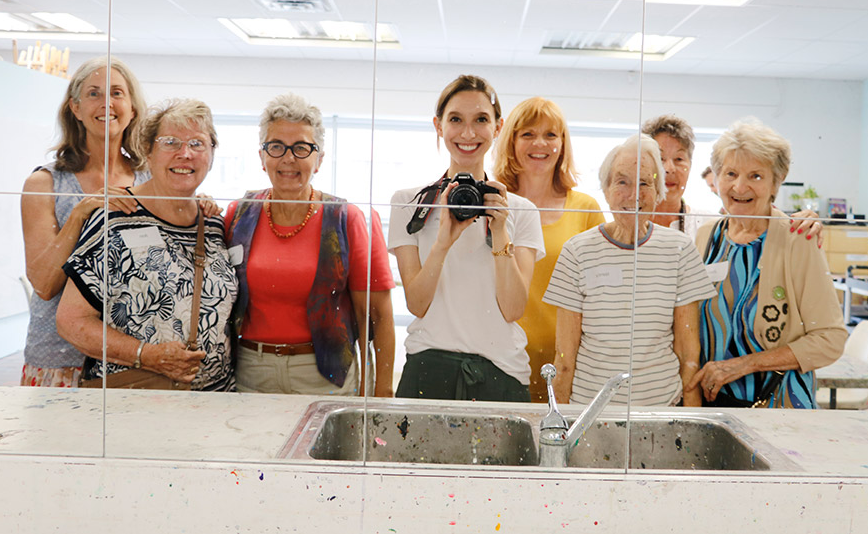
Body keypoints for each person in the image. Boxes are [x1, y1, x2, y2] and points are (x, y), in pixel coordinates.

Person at [56, 99, 236, 391]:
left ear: (212, 153)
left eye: (197, 143)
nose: (185, 154)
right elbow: (70, 321)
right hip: (133, 401)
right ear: (148, 152)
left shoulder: (215, 225)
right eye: (170, 142)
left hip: (216, 401)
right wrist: (147, 355)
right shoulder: (114, 218)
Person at [225, 93, 396, 396]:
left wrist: (381, 391)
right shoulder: (239, 214)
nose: (288, 158)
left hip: (323, 375)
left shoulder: (345, 218)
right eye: (276, 146)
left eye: (301, 148)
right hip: (251, 371)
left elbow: (378, 315)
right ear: (262, 157)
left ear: (318, 160)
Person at [388, 75, 544, 402]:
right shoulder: (411, 204)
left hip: (502, 371)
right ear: (438, 125)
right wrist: (443, 240)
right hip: (428, 369)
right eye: (456, 119)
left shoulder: (520, 210)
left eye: (481, 120)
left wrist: (500, 230)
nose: (468, 133)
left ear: (498, 127)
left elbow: (513, 308)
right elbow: (417, 303)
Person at [544, 135, 716, 407]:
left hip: (661, 411)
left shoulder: (680, 249)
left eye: (645, 183)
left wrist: (690, 421)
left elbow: (688, 354)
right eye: (622, 182)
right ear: (606, 189)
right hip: (588, 411)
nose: (634, 195)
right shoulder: (577, 251)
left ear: (658, 191)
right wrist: (559, 426)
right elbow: (564, 358)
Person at [687, 120, 847, 408]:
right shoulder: (707, 236)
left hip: (778, 405)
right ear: (716, 177)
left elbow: (830, 339)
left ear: (777, 181)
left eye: (756, 176)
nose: (739, 186)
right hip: (714, 405)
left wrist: (745, 365)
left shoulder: (798, 239)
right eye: (730, 173)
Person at [20, 57, 150, 387]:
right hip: (60, 361)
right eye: (94, 93)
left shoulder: (152, 181)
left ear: (132, 108)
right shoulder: (45, 183)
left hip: (132, 359)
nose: (106, 103)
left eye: (117, 93)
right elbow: (44, 285)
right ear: (75, 108)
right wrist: (81, 212)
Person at [493, 96, 603, 402]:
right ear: (511, 142)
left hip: (569, 366)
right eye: (528, 134)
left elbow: (599, 296)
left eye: (550, 135)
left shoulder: (585, 209)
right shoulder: (492, 203)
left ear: (563, 143)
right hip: (498, 360)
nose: (539, 143)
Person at [642, 114, 822, 244]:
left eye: (679, 159)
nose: (669, 169)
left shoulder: (711, 226)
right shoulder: (625, 224)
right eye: (660, 158)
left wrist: (806, 220)